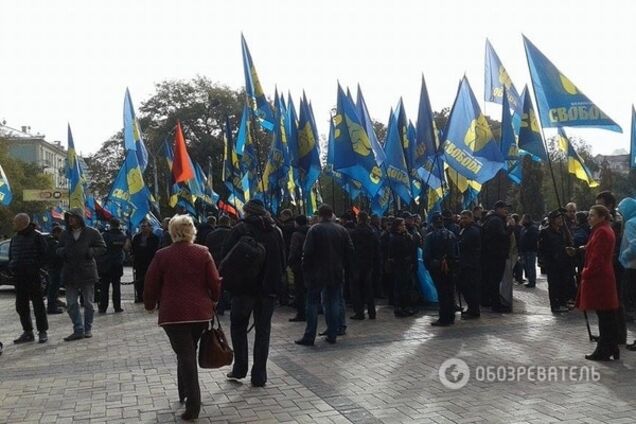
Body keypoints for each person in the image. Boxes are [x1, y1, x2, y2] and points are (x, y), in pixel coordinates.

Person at [144, 214, 221, 421]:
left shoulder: (162, 255)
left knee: (185, 354)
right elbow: (214, 282)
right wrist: (214, 299)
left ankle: (192, 404)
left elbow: (150, 282)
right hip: (199, 313)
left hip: (173, 314)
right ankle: (184, 392)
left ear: (172, 232)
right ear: (192, 231)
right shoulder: (203, 252)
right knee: (188, 351)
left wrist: (150, 305)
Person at [223, 199, 285, 387]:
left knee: (238, 328)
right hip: (267, 291)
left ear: (247, 212)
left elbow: (226, 258)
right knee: (263, 332)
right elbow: (282, 261)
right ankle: (259, 375)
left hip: (243, 290)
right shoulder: (276, 231)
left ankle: (240, 368)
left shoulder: (239, 230)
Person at [296, 204, 353, 345]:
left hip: (316, 273)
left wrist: (306, 270)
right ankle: (333, 333)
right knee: (333, 302)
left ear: (320, 215)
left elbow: (307, 253)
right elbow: (350, 251)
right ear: (331, 214)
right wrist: (342, 265)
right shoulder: (342, 230)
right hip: (336, 272)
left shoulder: (314, 230)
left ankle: (310, 336)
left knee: (312, 304)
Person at [573, 205, 620, 361]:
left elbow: (597, 258)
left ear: (602, 217)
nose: (589, 218)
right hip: (602, 276)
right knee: (605, 315)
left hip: (599, 278)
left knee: (605, 315)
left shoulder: (602, 232)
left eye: (592, 215)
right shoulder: (602, 230)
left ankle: (605, 349)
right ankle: (610, 346)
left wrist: (586, 272)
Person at [56, 208, 106, 341]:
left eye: (73, 217)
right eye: (69, 217)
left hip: (87, 271)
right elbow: (58, 249)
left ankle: (87, 328)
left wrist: (90, 252)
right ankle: (78, 329)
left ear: (80, 218)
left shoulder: (92, 232)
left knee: (88, 303)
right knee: (71, 303)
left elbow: (102, 247)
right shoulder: (65, 234)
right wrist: (63, 252)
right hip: (70, 272)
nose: (70, 220)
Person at [9, 213, 49, 344]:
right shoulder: (15, 238)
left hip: (33, 276)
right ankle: (28, 332)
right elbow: (11, 256)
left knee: (38, 305)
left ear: (22, 223)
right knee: (21, 306)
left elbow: (44, 256)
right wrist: (12, 266)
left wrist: (34, 266)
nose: (14, 225)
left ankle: (42, 331)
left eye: (15, 222)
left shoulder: (37, 236)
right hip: (19, 277)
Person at [595, 191, 627, 344]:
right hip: (612, 262)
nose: (597, 208)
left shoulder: (614, 219)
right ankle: (613, 335)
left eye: (600, 204)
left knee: (615, 301)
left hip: (615, 263)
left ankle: (618, 335)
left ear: (610, 205)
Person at [424, 213, 459, 326]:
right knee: (450, 292)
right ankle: (451, 316)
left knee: (442, 293)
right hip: (451, 267)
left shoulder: (430, 236)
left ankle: (444, 318)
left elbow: (426, 255)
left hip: (437, 268)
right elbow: (457, 252)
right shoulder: (451, 234)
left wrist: (429, 266)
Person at [481, 201, 512, 312]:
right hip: (496, 256)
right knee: (495, 280)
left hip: (493, 255)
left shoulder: (493, 219)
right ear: (498, 209)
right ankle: (496, 305)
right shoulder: (496, 220)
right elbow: (502, 236)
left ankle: (492, 302)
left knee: (493, 280)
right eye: (504, 208)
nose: (506, 211)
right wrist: (510, 227)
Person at [538, 210, 571, 313]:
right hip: (552, 263)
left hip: (563, 262)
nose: (561, 220)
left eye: (561, 218)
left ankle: (562, 302)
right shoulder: (545, 231)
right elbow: (542, 248)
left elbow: (568, 242)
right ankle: (555, 305)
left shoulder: (562, 231)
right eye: (558, 218)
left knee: (563, 283)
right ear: (552, 220)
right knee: (554, 284)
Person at [349, 212, 380, 320]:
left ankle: (359, 312)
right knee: (368, 289)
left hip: (357, 264)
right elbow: (377, 248)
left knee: (357, 289)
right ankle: (372, 312)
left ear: (358, 219)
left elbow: (350, 249)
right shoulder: (372, 232)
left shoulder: (354, 232)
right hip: (369, 264)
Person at [97, 218, 128, 313]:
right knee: (116, 287)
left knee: (104, 288)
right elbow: (126, 248)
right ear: (119, 225)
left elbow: (100, 249)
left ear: (110, 224)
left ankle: (103, 307)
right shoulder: (123, 236)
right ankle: (117, 307)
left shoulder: (105, 235)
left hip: (106, 264)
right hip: (117, 264)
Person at [388, 218, 416, 318]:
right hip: (400, 265)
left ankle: (406, 306)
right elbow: (393, 253)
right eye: (402, 225)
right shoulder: (394, 238)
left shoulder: (406, 236)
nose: (404, 227)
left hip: (407, 265)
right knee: (400, 287)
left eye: (404, 225)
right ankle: (399, 307)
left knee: (407, 286)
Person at [458, 210, 481, 319]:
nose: (463, 220)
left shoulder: (473, 230)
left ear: (471, 218)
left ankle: (474, 310)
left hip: (471, 264)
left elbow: (463, 244)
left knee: (470, 288)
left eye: (465, 218)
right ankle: (472, 308)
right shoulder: (465, 229)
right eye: (462, 218)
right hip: (466, 263)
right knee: (466, 288)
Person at [131, 220, 160, 303]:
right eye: (142, 227)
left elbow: (156, 249)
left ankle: (151, 296)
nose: (143, 228)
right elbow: (133, 248)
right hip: (139, 262)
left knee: (150, 280)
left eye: (145, 226)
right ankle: (140, 296)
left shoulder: (154, 238)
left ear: (150, 228)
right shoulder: (137, 237)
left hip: (150, 261)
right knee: (139, 280)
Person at [288, 215, 309, 322]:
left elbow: (294, 250)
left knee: (299, 290)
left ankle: (301, 313)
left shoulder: (296, 235)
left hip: (298, 265)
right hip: (310, 265)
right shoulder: (311, 231)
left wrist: (290, 262)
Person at [46, 225, 65, 314]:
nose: (62, 235)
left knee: (54, 288)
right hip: (55, 268)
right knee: (53, 288)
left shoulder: (50, 242)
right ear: (56, 233)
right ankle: (52, 307)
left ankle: (54, 305)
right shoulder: (53, 243)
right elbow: (56, 256)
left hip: (53, 267)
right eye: (61, 233)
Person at [519, 214, 539, 288]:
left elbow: (534, 239)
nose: (522, 221)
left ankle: (532, 282)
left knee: (531, 266)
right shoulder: (524, 228)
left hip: (530, 250)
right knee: (527, 266)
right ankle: (530, 280)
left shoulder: (532, 228)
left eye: (523, 219)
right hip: (525, 251)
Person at [511, 214, 524, 284]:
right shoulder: (521, 228)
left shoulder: (513, 228)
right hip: (519, 248)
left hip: (515, 248)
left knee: (514, 264)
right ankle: (519, 278)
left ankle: (516, 277)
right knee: (519, 265)